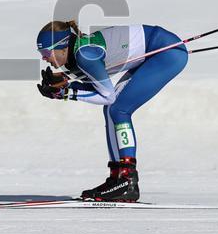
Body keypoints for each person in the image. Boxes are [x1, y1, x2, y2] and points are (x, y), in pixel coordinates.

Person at [35, 19, 189, 202]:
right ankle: (118, 177)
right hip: (157, 49)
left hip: (167, 52)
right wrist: (65, 86)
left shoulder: (85, 54)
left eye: (46, 52)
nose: (44, 58)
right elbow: (97, 86)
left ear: (62, 47)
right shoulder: (78, 54)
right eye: (41, 53)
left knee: (118, 109)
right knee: (112, 110)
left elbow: (107, 95)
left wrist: (66, 93)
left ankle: (127, 179)